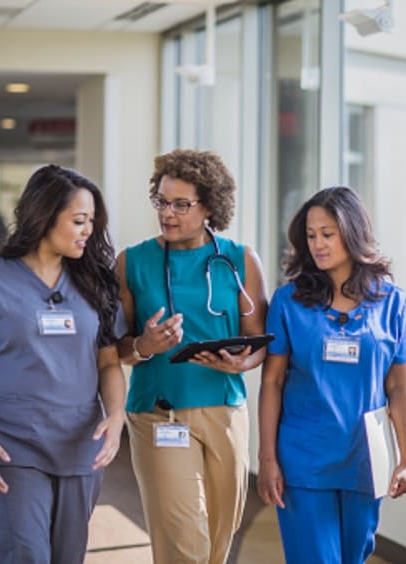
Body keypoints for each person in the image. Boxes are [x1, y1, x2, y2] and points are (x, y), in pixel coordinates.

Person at [0, 165, 127, 563]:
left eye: (92, 223)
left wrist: (116, 418)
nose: (88, 232)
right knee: (26, 554)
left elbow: (109, 363)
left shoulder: (95, 283)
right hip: (11, 444)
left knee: (68, 556)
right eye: (79, 221)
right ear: (44, 216)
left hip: (79, 443)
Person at [257, 186, 406, 564]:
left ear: (352, 233)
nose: (317, 244)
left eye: (327, 234)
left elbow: (399, 386)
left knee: (354, 557)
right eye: (311, 235)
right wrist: (266, 457)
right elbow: (272, 382)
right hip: (303, 458)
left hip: (366, 460)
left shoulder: (394, 304)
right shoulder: (289, 302)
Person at [117, 149, 269, 564]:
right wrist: (144, 346)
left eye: (181, 204)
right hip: (158, 411)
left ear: (209, 207)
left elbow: (259, 340)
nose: (167, 213)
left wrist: (242, 362)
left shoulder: (240, 260)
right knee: (184, 540)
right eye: (162, 202)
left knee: (222, 533)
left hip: (225, 406)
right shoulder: (132, 262)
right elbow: (113, 349)